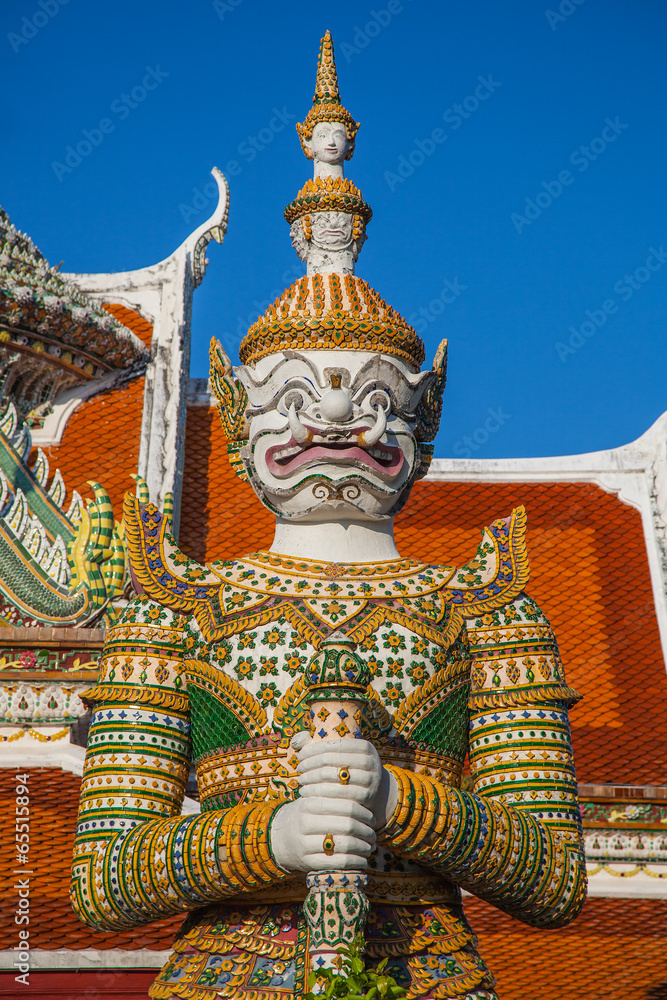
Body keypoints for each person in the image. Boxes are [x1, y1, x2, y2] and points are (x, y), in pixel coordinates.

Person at [71, 32, 586, 1000]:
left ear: (421, 424)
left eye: (376, 405)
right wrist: (264, 835)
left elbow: (554, 880)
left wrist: (403, 801)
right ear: (237, 423)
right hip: (228, 974)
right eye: (297, 403)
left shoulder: (487, 610)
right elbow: (103, 881)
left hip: (427, 971)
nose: (339, 425)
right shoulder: (176, 608)